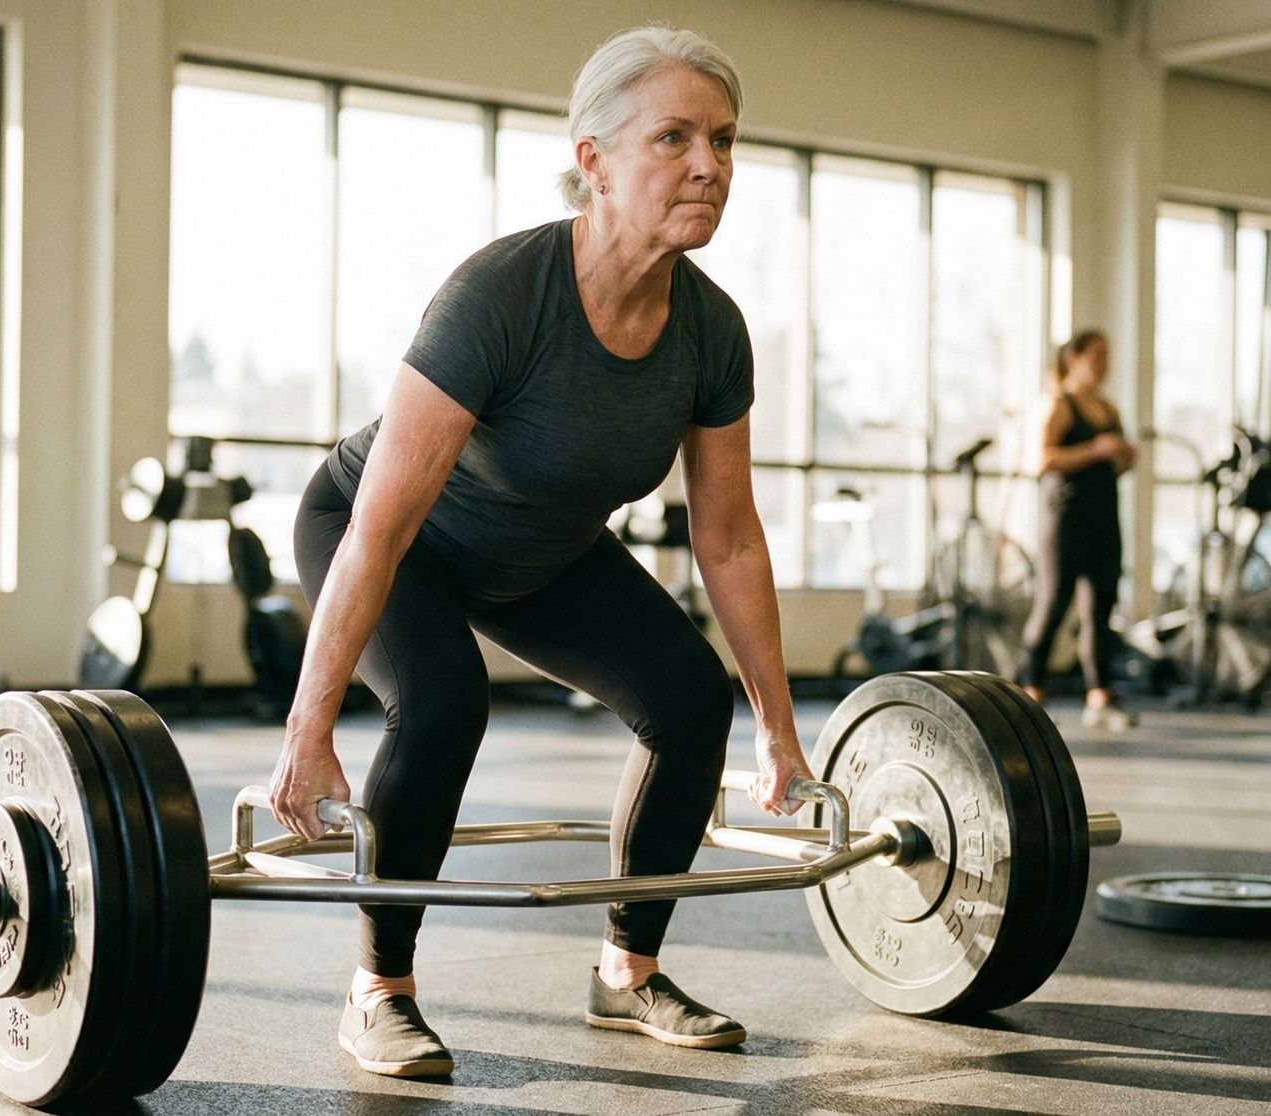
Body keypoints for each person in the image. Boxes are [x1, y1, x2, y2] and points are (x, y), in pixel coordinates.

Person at [269, 26, 813, 1078]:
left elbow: (730, 537)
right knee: (440, 699)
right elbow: (381, 524)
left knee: (689, 699)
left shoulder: (711, 333)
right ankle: (378, 990)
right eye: (673, 138)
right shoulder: (500, 297)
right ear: (594, 161)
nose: (708, 165)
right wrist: (308, 727)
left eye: (723, 139)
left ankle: (627, 974)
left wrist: (779, 732)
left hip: (544, 550)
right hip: (388, 538)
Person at [1019, 329, 1139, 730]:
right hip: (1065, 520)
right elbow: (1041, 460)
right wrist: (1096, 450)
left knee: (1101, 607)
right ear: (1074, 359)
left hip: (1103, 518)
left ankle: (1100, 697)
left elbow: (1116, 466)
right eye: (1096, 356)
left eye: (1107, 356)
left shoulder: (1108, 408)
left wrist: (1123, 456)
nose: (1104, 365)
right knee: (1053, 602)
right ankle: (1030, 693)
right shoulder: (1058, 404)